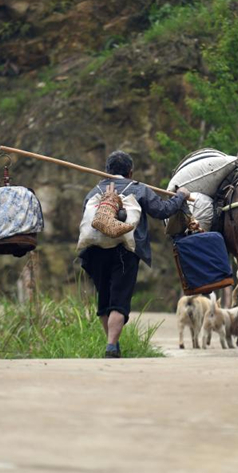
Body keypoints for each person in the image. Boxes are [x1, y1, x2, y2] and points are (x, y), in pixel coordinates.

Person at [79, 150, 190, 358]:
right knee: (119, 302)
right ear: (131, 172)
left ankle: (112, 343)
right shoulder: (139, 189)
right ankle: (111, 345)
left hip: (95, 252)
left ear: (106, 171)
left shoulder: (93, 191)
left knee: (104, 301)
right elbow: (163, 211)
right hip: (125, 252)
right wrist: (181, 196)